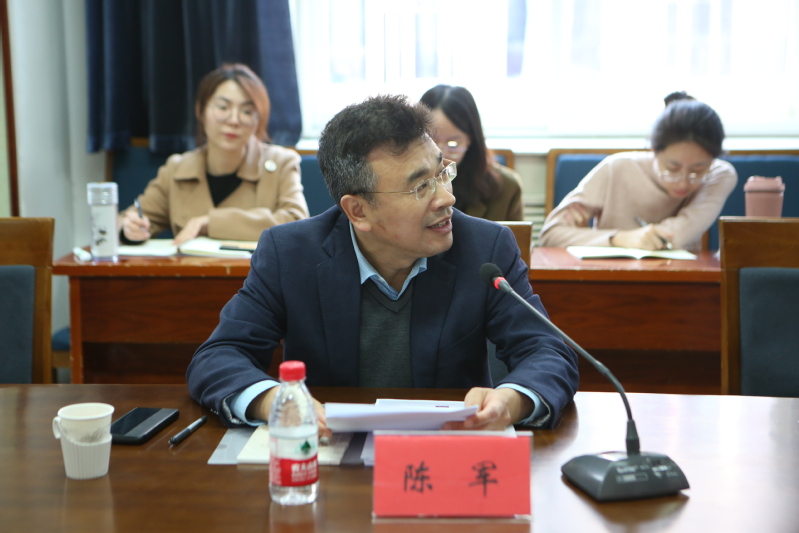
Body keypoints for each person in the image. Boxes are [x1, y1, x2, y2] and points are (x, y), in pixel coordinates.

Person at [186, 94, 578, 433]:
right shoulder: (290, 254)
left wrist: (512, 400)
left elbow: (548, 351)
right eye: (421, 186)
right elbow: (218, 356)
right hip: (330, 456)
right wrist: (274, 402)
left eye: (442, 172)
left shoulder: (485, 248)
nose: (447, 198)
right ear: (358, 211)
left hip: (446, 454)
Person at [119, 63, 309, 246]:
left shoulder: (280, 163)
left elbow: (297, 222)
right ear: (200, 111)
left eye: (246, 111)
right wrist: (130, 228)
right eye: (223, 108)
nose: (234, 120)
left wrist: (211, 222)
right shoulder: (177, 169)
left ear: (259, 119)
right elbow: (131, 218)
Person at [539, 92, 737, 251]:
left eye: (697, 170)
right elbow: (550, 234)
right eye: (672, 169)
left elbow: (678, 234)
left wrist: (587, 238)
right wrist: (619, 238)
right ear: (653, 151)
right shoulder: (617, 168)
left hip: (682, 280)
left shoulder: (719, 175)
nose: (683, 182)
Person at [420, 85, 523, 221]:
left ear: (470, 140)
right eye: (431, 141)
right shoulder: (403, 187)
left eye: (453, 144)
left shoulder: (507, 187)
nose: (441, 154)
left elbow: (516, 234)